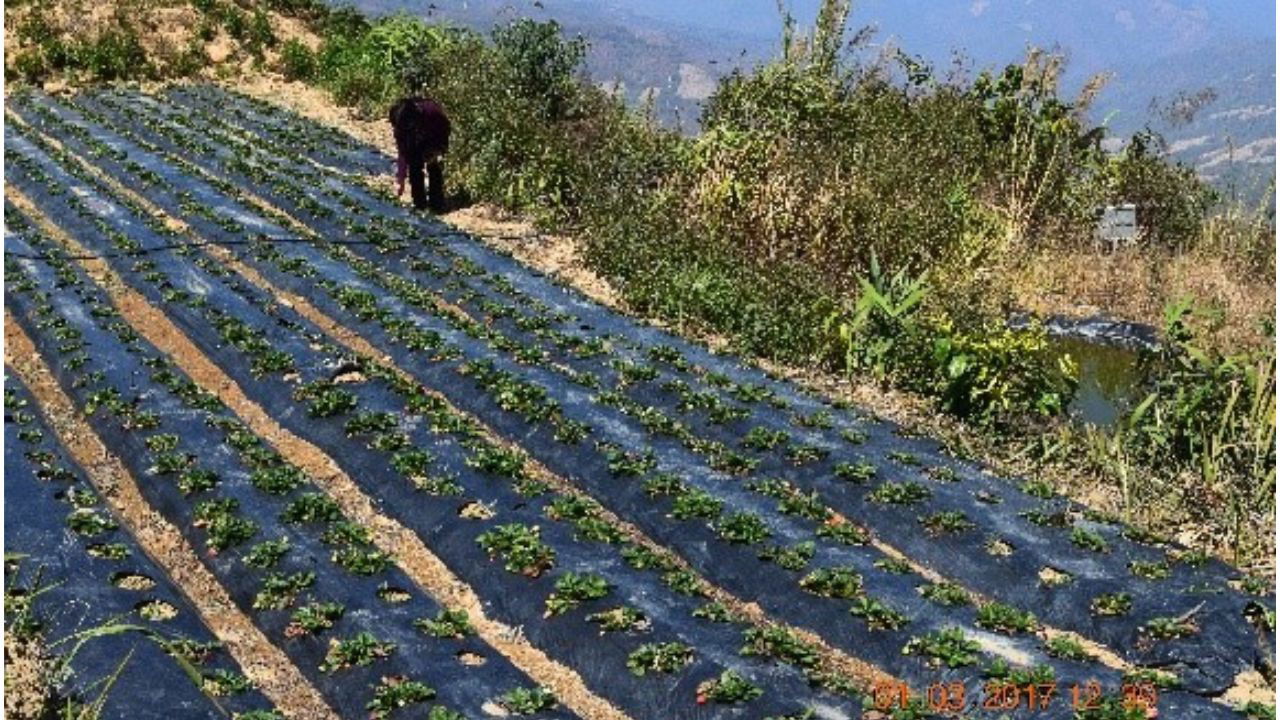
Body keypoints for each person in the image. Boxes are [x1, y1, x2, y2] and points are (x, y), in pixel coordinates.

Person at [389, 97, 451, 212]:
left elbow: (445, 129)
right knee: (414, 165)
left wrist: (440, 150)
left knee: (433, 165)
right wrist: (400, 179)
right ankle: (419, 203)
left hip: (434, 136)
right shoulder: (400, 123)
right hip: (415, 139)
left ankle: (436, 203)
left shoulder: (432, 112)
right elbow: (403, 151)